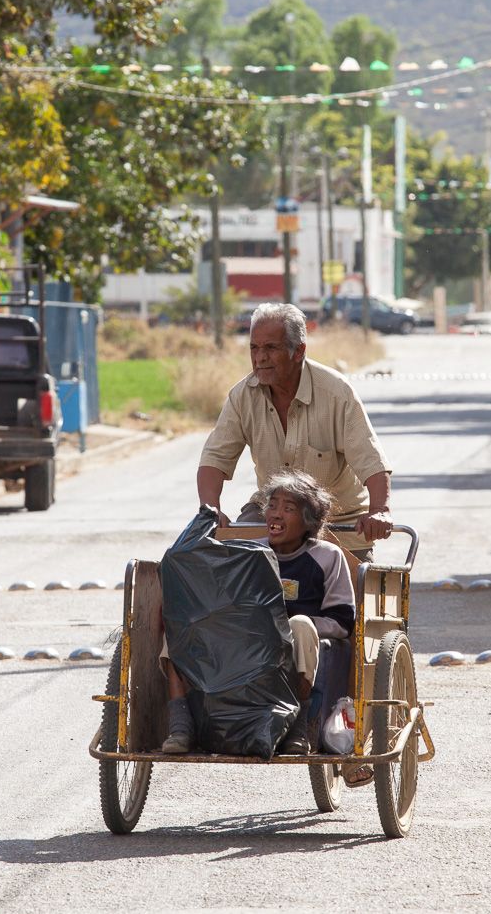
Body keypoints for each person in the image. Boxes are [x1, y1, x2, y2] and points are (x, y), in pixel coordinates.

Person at [161, 471, 355, 755]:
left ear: (309, 521)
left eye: (288, 509)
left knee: (300, 624)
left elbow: (342, 622)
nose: (276, 514)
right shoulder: (251, 553)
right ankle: (181, 725)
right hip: (249, 645)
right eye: (272, 506)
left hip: (296, 648)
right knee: (184, 626)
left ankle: (299, 725)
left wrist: (283, 626)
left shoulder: (327, 556)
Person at [197, 301, 393, 558]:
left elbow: (371, 462)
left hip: (338, 520)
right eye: (254, 348)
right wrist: (211, 508)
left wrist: (380, 510)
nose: (260, 358)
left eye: (271, 348)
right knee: (233, 567)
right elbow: (215, 459)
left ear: (298, 351)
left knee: (352, 586)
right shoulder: (243, 395)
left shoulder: (336, 393)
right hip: (271, 513)